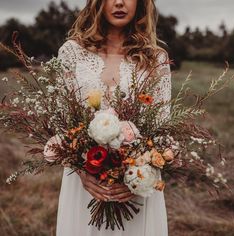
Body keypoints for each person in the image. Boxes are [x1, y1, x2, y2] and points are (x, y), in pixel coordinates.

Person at [56, 0, 171, 235]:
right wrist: (82, 172)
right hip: (85, 184)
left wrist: (141, 176)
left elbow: (161, 127)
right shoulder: (71, 52)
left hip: (136, 184)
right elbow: (62, 121)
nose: (119, 2)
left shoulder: (155, 58)